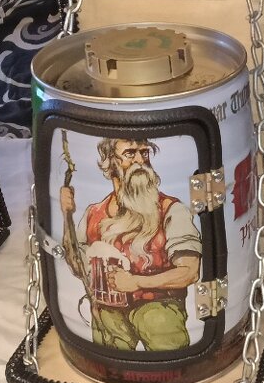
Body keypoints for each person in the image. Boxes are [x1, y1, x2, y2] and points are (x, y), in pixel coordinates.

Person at [60, 137, 201, 351]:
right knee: (108, 353)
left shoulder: (171, 210)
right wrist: (67, 216)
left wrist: (136, 282)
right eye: (130, 154)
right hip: (108, 310)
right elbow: (78, 267)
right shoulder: (93, 214)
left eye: (144, 153)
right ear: (109, 162)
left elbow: (189, 272)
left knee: (158, 326)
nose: (140, 161)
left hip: (159, 306)